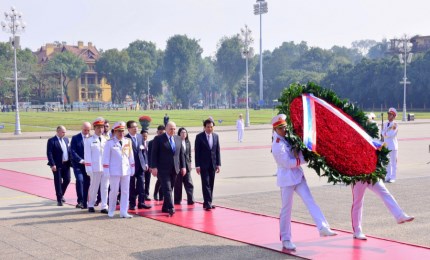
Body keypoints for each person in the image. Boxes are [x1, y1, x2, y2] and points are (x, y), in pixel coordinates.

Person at [271, 114, 337, 251]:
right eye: (280, 128)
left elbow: (298, 152)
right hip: (287, 179)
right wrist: (303, 160)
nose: (284, 130)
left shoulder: (288, 138)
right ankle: (286, 239)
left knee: (310, 201)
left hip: (298, 176)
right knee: (286, 210)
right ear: (275, 130)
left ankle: (323, 227)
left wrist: (302, 155)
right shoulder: (277, 145)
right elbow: (288, 163)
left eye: (284, 127)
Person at [151, 121, 186, 216]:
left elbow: (181, 154)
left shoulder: (178, 139)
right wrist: (154, 167)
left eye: (174, 129)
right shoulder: (158, 139)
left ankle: (165, 207)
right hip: (162, 169)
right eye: (171, 129)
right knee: (167, 188)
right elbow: (154, 154)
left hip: (175, 168)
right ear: (166, 129)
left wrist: (183, 166)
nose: (173, 131)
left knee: (171, 188)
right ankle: (171, 207)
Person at [103, 121, 135, 218]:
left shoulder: (127, 141)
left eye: (122, 131)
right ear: (115, 132)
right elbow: (106, 158)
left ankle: (123, 211)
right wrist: (106, 171)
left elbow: (130, 156)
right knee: (114, 191)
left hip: (125, 170)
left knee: (125, 191)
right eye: (119, 131)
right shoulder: (109, 143)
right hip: (114, 171)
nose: (121, 133)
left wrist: (132, 167)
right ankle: (111, 209)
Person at [194, 118, 221, 211]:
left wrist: (218, 164)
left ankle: (208, 202)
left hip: (213, 165)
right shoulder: (199, 137)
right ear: (204, 127)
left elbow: (217, 151)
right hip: (203, 165)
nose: (210, 129)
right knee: (205, 184)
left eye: (211, 127)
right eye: (208, 127)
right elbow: (197, 152)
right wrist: (197, 165)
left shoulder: (216, 136)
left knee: (211, 183)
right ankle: (208, 203)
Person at [85, 117, 109, 214]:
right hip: (94, 168)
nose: (100, 129)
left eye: (102, 127)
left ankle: (104, 206)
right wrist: (88, 168)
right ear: (94, 128)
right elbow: (87, 155)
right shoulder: (89, 140)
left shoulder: (106, 140)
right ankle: (91, 204)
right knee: (93, 187)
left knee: (105, 187)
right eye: (98, 127)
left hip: (105, 168)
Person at [126, 120, 151, 210]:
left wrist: (146, 163)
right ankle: (132, 203)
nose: (136, 128)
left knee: (141, 184)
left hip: (140, 165)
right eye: (133, 127)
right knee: (131, 185)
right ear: (128, 128)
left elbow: (143, 151)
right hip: (131, 165)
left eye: (136, 127)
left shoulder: (140, 137)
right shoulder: (126, 139)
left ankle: (141, 202)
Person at [47, 125, 71, 206]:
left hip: (66, 164)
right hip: (57, 165)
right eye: (63, 132)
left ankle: (61, 194)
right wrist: (52, 164)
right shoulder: (51, 141)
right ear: (58, 131)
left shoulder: (66, 139)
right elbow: (49, 153)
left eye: (65, 132)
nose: (64, 133)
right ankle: (59, 200)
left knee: (67, 180)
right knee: (58, 182)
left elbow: (69, 151)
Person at [71, 122, 91, 209]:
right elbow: (72, 152)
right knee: (80, 180)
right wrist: (81, 160)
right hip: (78, 164)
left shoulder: (92, 138)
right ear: (81, 128)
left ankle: (87, 201)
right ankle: (80, 201)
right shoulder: (75, 138)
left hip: (89, 165)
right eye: (85, 130)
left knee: (87, 183)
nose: (86, 132)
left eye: (88, 130)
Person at [174, 127, 195, 205]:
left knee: (189, 183)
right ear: (179, 133)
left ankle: (191, 199)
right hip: (178, 167)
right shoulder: (176, 142)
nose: (184, 134)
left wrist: (190, 163)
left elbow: (189, 154)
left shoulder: (187, 142)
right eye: (182, 132)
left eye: (185, 132)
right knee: (178, 184)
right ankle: (177, 200)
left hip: (187, 166)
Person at [149, 125, 166, 201]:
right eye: (160, 133)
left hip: (164, 165)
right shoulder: (152, 142)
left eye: (163, 133)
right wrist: (151, 166)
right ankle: (156, 193)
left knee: (163, 180)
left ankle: (161, 195)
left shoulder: (166, 141)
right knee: (160, 179)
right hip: (156, 165)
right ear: (157, 132)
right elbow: (150, 155)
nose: (161, 134)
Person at [382, 107, 399, 183]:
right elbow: (382, 133)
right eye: (388, 114)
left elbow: (391, 134)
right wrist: (385, 134)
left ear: (394, 116)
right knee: (387, 162)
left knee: (393, 162)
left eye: (390, 114)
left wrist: (385, 134)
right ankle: (388, 176)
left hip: (393, 146)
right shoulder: (385, 124)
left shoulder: (395, 125)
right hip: (386, 145)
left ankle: (393, 177)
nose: (388, 116)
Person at [141, 129, 151, 201]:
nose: (145, 137)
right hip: (142, 165)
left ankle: (146, 195)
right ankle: (140, 194)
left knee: (148, 180)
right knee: (141, 181)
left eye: (146, 136)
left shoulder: (149, 144)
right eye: (143, 136)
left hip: (149, 165)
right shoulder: (139, 144)